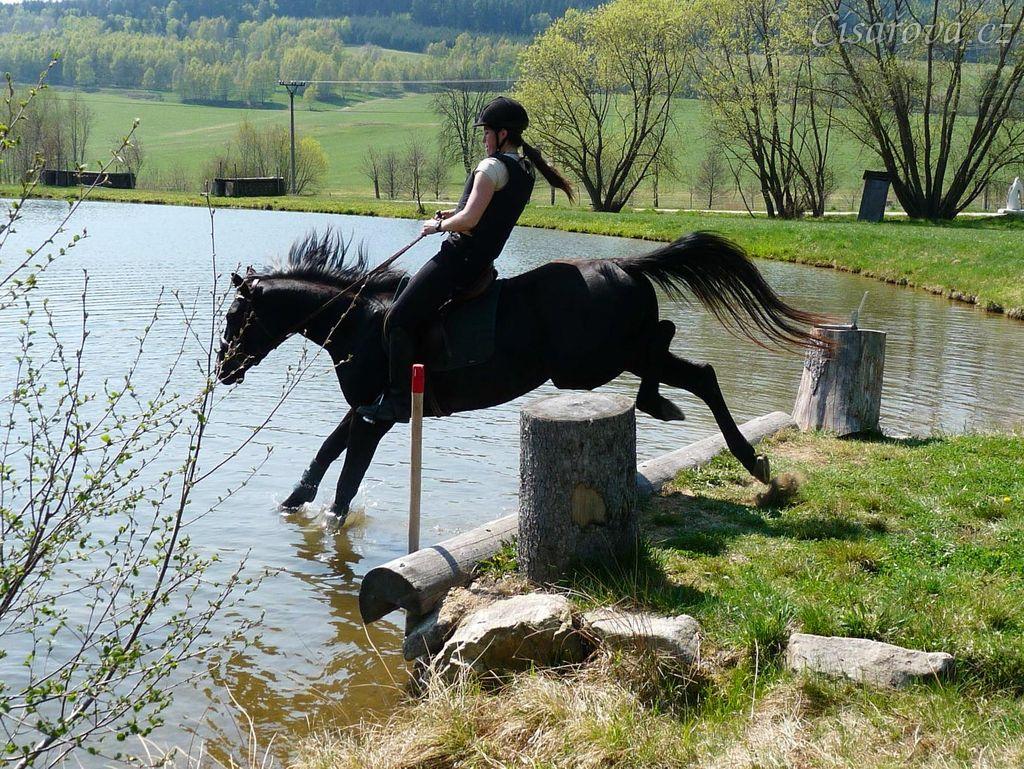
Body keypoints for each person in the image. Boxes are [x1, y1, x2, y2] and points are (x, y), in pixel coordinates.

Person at [357, 96, 574, 423]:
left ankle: (398, 401)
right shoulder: (524, 170)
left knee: (398, 318)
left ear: (502, 134)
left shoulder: (491, 167)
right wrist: (450, 214)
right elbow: (487, 212)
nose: (484, 139)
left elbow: (471, 219)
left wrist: (437, 226)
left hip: (458, 261)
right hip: (481, 264)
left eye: (486, 132)